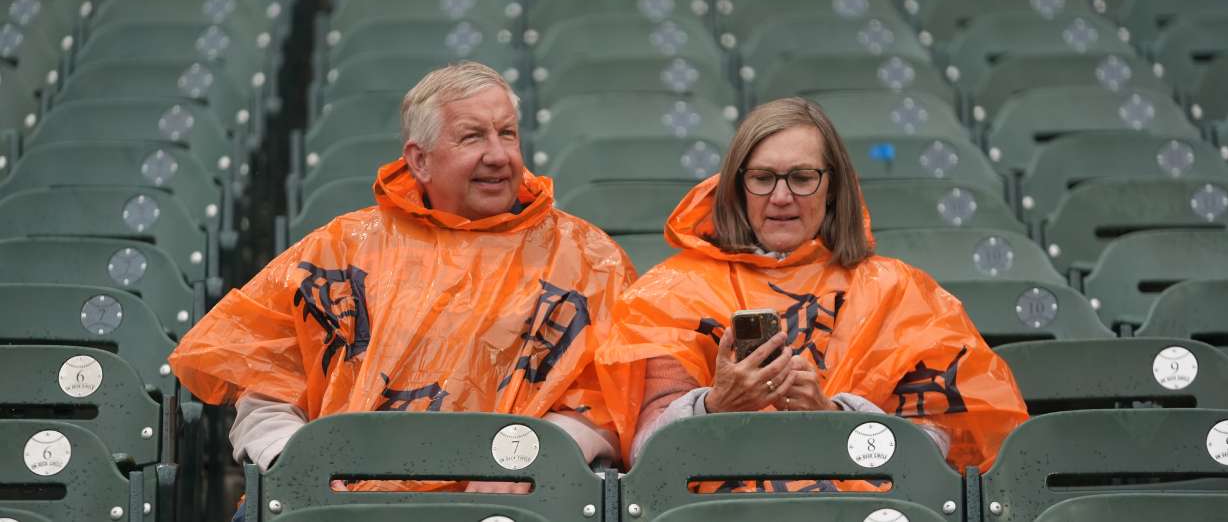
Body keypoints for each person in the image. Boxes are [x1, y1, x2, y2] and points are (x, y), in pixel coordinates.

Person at [170, 62, 635, 504]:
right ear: (420, 160)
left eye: (507, 133)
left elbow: (614, 397)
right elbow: (267, 390)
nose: (498, 155)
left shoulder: (585, 257)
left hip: (518, 497)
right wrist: (297, 463)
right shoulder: (340, 250)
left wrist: (536, 455)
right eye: (473, 137)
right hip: (337, 503)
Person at [596, 97, 1028, 478]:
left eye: (802, 177)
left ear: (833, 186)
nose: (781, 196)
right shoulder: (667, 294)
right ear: (737, 186)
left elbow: (945, 455)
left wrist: (834, 418)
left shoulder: (899, 291)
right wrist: (715, 406)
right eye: (763, 178)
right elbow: (645, 455)